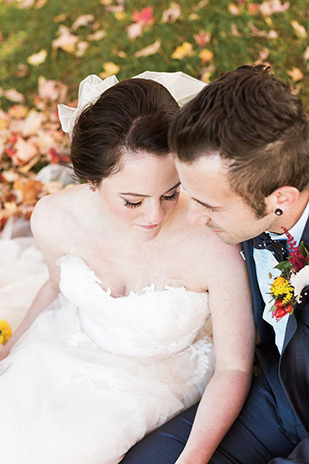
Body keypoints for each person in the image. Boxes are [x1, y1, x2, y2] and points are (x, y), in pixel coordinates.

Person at [0, 72, 254, 464]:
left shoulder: (214, 242)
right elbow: (55, 285)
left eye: (171, 192)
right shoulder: (54, 219)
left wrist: (193, 457)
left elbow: (235, 367)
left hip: (158, 383)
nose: (154, 216)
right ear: (91, 181)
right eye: (133, 201)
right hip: (64, 352)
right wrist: (14, 348)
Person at [120, 64, 309, 464]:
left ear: (282, 199)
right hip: (274, 401)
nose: (194, 218)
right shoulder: (258, 212)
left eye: (209, 205)